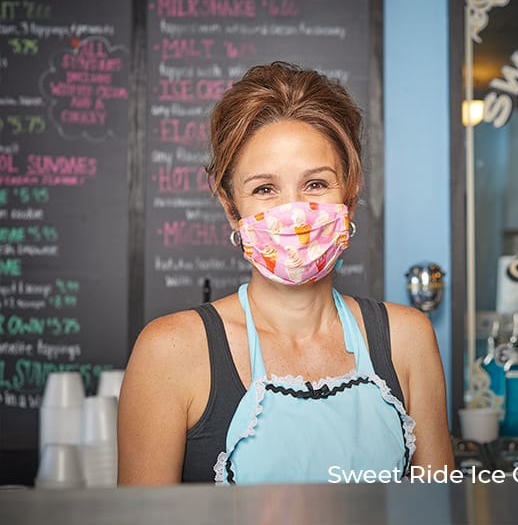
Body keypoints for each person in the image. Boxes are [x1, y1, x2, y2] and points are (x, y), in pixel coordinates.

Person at [118, 62, 454, 485]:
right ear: (230, 206)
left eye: (316, 184)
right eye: (264, 189)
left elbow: (437, 509)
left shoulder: (408, 339)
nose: (294, 213)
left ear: (349, 193)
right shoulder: (169, 352)